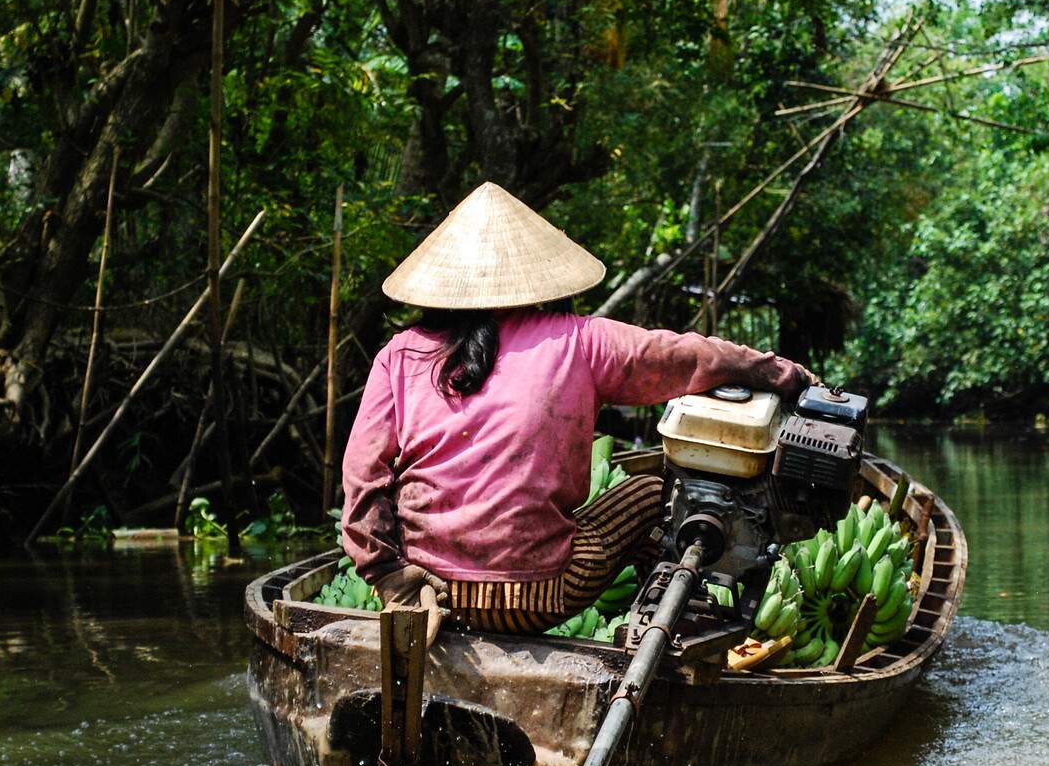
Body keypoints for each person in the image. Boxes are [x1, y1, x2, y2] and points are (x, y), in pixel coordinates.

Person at [340, 181, 815, 633]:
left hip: (429, 593)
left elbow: (363, 476)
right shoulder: (582, 342)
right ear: (545, 281)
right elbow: (692, 357)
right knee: (654, 493)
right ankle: (666, 624)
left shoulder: (399, 353)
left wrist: (387, 574)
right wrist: (787, 375)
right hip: (536, 597)